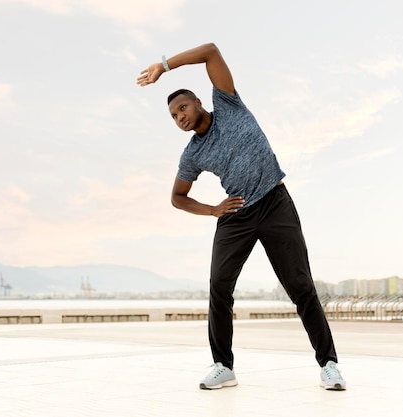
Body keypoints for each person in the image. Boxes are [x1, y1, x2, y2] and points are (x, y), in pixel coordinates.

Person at [136, 43, 346, 391]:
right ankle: (223, 365)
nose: (180, 117)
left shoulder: (229, 104)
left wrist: (163, 65)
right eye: (174, 116)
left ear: (199, 101)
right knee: (219, 286)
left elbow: (210, 51)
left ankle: (329, 365)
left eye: (183, 108)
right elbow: (177, 197)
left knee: (300, 286)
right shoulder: (192, 154)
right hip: (237, 215)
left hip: (275, 202)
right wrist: (214, 209)